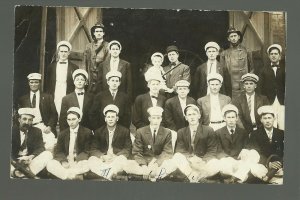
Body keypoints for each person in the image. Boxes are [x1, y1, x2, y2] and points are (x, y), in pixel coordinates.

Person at [212, 104, 266, 183]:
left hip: (240, 160)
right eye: (228, 117)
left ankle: (235, 179)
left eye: (233, 117)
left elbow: (247, 146)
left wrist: (244, 152)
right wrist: (228, 159)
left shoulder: (243, 132)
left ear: (237, 118)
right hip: (226, 160)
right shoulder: (218, 133)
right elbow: (218, 151)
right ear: (224, 118)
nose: (231, 120)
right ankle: (237, 178)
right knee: (223, 166)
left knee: (249, 163)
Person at [171, 104, 219, 182]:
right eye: (189, 115)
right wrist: (191, 158)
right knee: (177, 156)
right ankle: (193, 176)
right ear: (186, 118)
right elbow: (180, 149)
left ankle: (198, 176)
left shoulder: (208, 130)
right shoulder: (181, 131)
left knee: (216, 162)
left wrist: (203, 161)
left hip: (203, 162)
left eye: (194, 114)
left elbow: (212, 150)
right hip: (189, 161)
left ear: (199, 116)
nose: (192, 117)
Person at [88, 104, 132, 180]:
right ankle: (110, 175)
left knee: (123, 160)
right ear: (105, 119)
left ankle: (104, 174)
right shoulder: (98, 131)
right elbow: (93, 149)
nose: (110, 119)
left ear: (117, 118)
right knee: (91, 160)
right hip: (103, 159)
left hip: (116, 159)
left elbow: (127, 148)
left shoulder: (124, 131)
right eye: (108, 117)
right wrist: (102, 156)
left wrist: (117, 156)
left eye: (113, 117)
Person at [46, 107, 92, 180]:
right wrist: (63, 161)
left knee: (87, 164)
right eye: (69, 119)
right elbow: (58, 151)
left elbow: (87, 151)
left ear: (79, 119)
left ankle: (67, 175)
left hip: (79, 161)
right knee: (50, 164)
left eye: (74, 119)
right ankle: (70, 176)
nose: (71, 122)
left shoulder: (87, 132)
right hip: (66, 161)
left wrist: (77, 160)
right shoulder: (62, 134)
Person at [130, 106, 173, 180]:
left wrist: (156, 164)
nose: (156, 121)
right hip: (144, 161)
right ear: (149, 119)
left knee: (171, 165)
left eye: (158, 118)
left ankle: (152, 176)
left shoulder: (167, 132)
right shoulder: (140, 131)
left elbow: (167, 151)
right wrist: (143, 165)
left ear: (161, 119)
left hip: (159, 162)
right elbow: (137, 152)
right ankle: (151, 175)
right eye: (153, 118)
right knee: (126, 165)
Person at [18, 73, 57, 149]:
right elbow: (19, 116)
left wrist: (49, 126)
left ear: (39, 83)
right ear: (28, 83)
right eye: (31, 82)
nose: (34, 84)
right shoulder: (23, 99)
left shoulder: (47, 97)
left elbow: (54, 114)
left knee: (50, 145)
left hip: (42, 126)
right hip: (28, 127)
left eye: (36, 82)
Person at [11, 108, 53, 178]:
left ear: (32, 121)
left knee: (48, 154)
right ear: (19, 120)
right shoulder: (12, 131)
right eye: (24, 119)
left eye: (30, 120)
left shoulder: (37, 131)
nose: (27, 122)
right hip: (14, 161)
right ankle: (25, 174)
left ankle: (20, 174)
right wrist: (17, 162)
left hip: (29, 161)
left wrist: (31, 156)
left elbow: (40, 147)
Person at [247, 105, 284, 184]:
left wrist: (278, 164)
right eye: (265, 118)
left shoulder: (281, 133)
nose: (267, 121)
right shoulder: (255, 134)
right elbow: (255, 153)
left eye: (269, 118)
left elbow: (285, 152)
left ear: (274, 119)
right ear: (261, 120)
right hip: (263, 165)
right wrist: (268, 163)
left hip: (279, 165)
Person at [46, 40, 79, 115]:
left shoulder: (74, 67)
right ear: (58, 52)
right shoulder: (51, 67)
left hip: (67, 90)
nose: (63, 54)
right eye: (61, 51)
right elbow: (47, 83)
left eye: (65, 51)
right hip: (56, 90)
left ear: (69, 53)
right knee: (55, 108)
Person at [220, 27, 253, 99]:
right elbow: (222, 72)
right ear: (228, 39)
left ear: (239, 37)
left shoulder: (247, 51)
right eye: (231, 36)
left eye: (235, 36)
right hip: (231, 87)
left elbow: (252, 69)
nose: (233, 38)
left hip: (244, 86)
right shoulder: (224, 54)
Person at [257, 44, 285, 130]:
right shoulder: (263, 70)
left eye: (276, 54)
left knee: (282, 122)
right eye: (271, 54)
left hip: (282, 100)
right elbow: (260, 88)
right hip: (269, 100)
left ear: (280, 56)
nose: (273, 55)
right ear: (269, 56)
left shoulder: (286, 69)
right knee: (271, 122)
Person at [83, 22, 109, 93]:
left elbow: (107, 64)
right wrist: (85, 76)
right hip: (91, 77)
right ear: (94, 33)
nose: (99, 33)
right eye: (97, 31)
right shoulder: (88, 46)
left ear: (103, 33)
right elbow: (85, 62)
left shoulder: (107, 46)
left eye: (101, 31)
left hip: (101, 76)